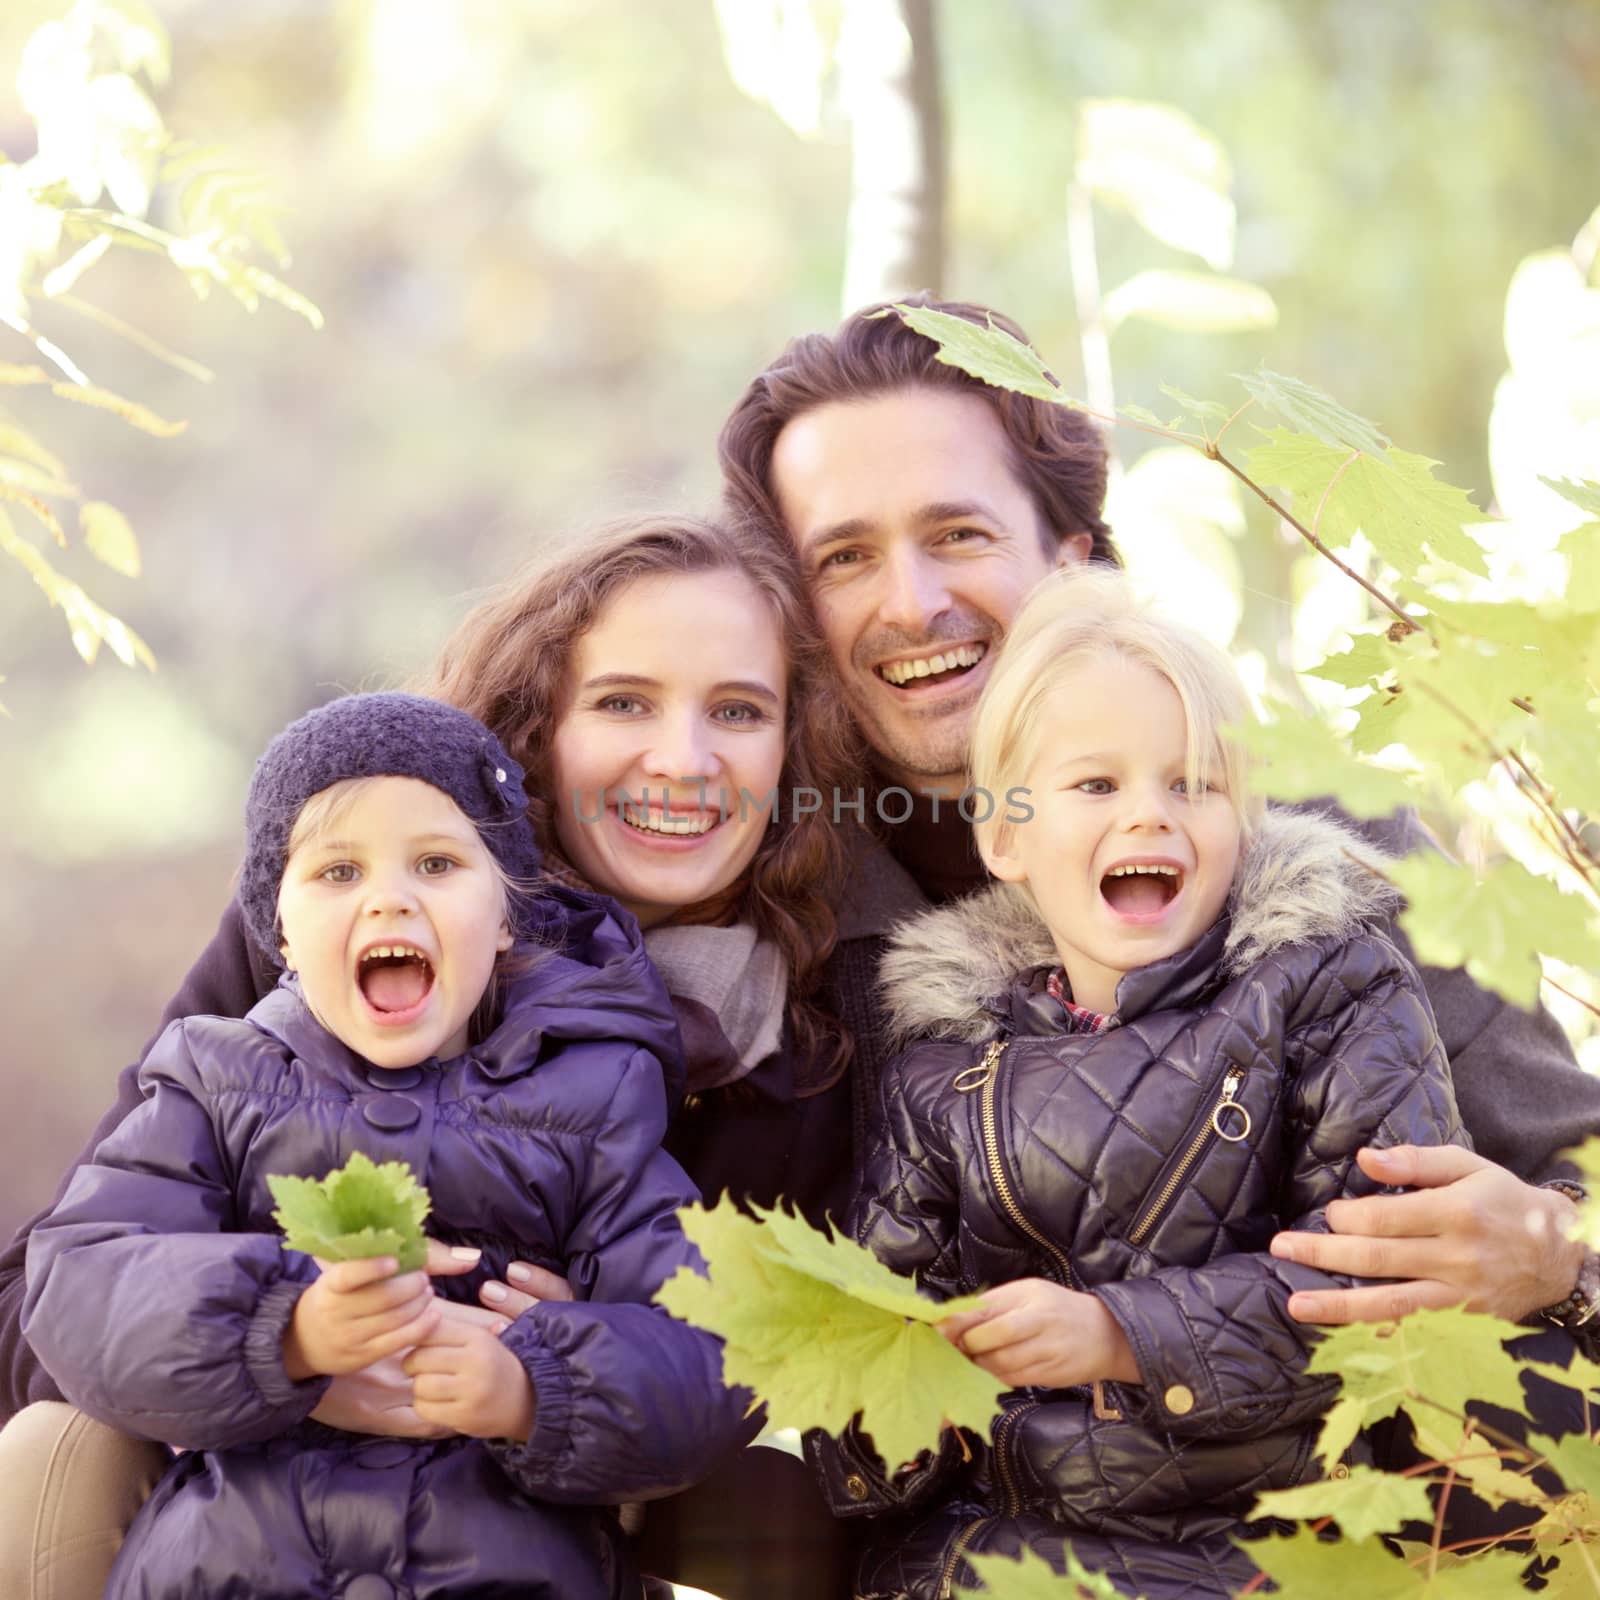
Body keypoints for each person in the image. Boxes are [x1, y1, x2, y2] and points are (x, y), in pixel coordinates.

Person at [709, 292, 1600, 1341]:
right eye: (844, 557)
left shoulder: (1321, 841)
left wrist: (1557, 1249)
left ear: (1070, 557)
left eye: (957, 532)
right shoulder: (777, 894)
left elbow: (1567, 1170)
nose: (909, 603)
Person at [1, 515, 862, 1600]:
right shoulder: (291, 975)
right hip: (239, 1529)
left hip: (530, 1530)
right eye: (622, 702)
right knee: (47, 1446)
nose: (681, 758)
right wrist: (298, 1343)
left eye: (737, 710)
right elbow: (57, 1291)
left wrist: (545, 1370)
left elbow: (720, 1356)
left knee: (766, 1498)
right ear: (536, 724)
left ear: (795, 747)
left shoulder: (801, 1023)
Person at [810, 566, 1466, 1597]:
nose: (1149, 816)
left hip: (1262, 1548)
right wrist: (901, 1410)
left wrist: (1118, 1335)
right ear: (1005, 835)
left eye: (1191, 783)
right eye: (1096, 785)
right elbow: (868, 1384)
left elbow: (1386, 1283)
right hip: (993, 1556)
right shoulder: (938, 1072)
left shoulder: (1324, 987)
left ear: (1242, 820)